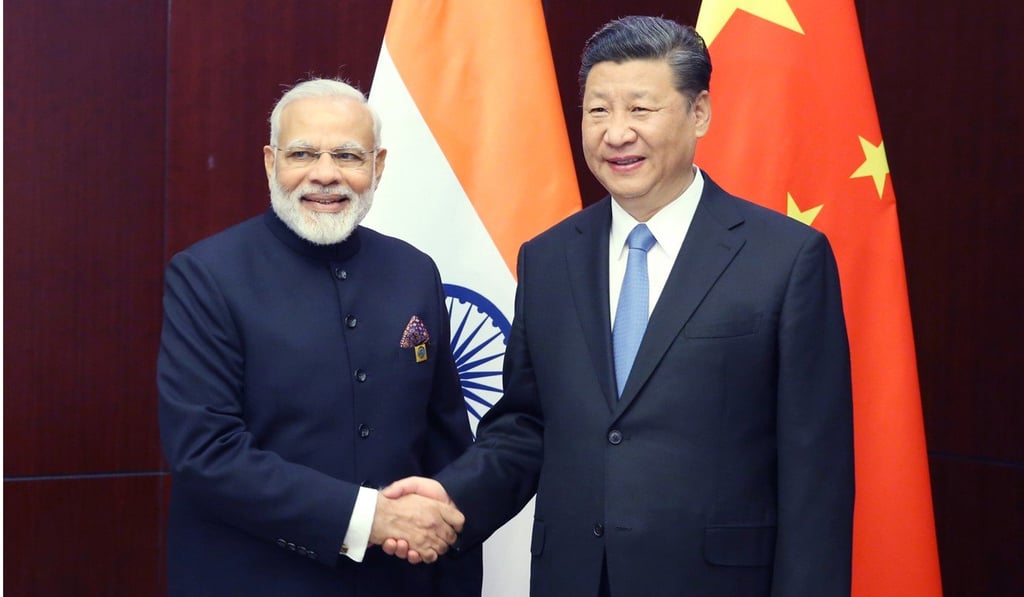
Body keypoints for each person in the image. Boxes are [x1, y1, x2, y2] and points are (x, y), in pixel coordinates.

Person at [382, 15, 854, 596]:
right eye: (598, 110)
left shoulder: (785, 258)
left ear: (699, 112)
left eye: (640, 110)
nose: (616, 133)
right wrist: (455, 498)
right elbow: (529, 424)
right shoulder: (549, 258)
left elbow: (816, 473)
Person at [157, 78, 481, 596]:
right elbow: (206, 451)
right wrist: (369, 518)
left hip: (400, 583)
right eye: (303, 153)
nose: (325, 175)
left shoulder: (414, 271)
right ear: (270, 162)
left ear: (378, 166)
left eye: (348, 156)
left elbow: (445, 443)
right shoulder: (207, 275)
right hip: (254, 579)